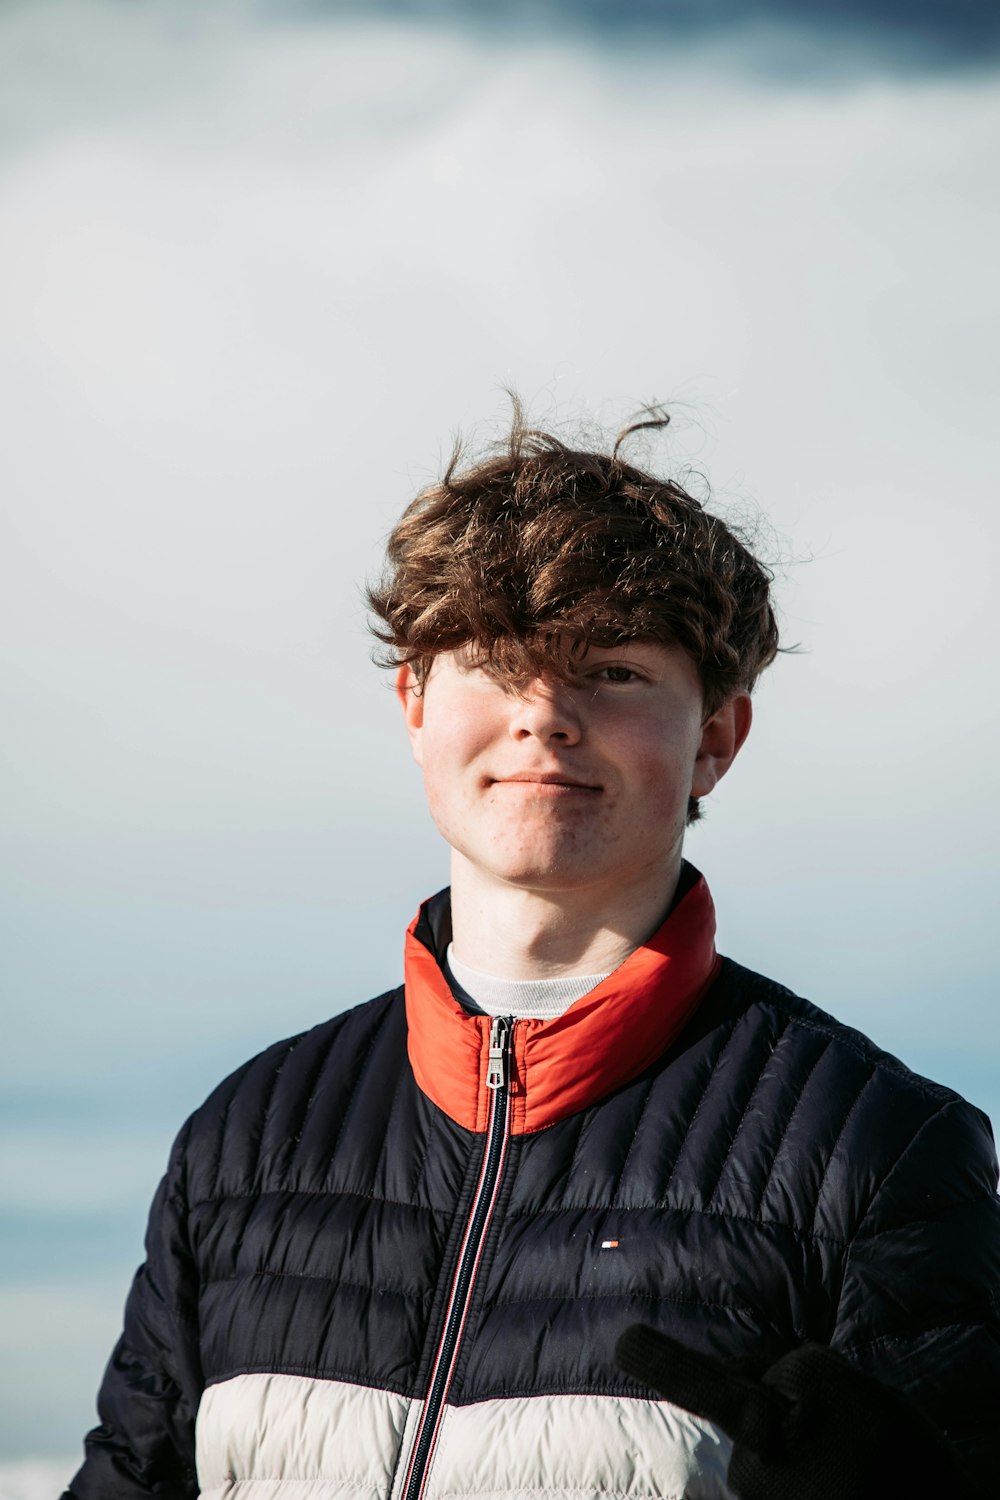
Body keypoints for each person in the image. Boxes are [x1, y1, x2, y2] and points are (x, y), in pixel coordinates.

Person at [66, 409, 1000, 1500]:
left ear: (715, 739)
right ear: (413, 702)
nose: (545, 717)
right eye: (493, 664)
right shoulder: (247, 1137)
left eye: (611, 671)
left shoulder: (877, 1149)